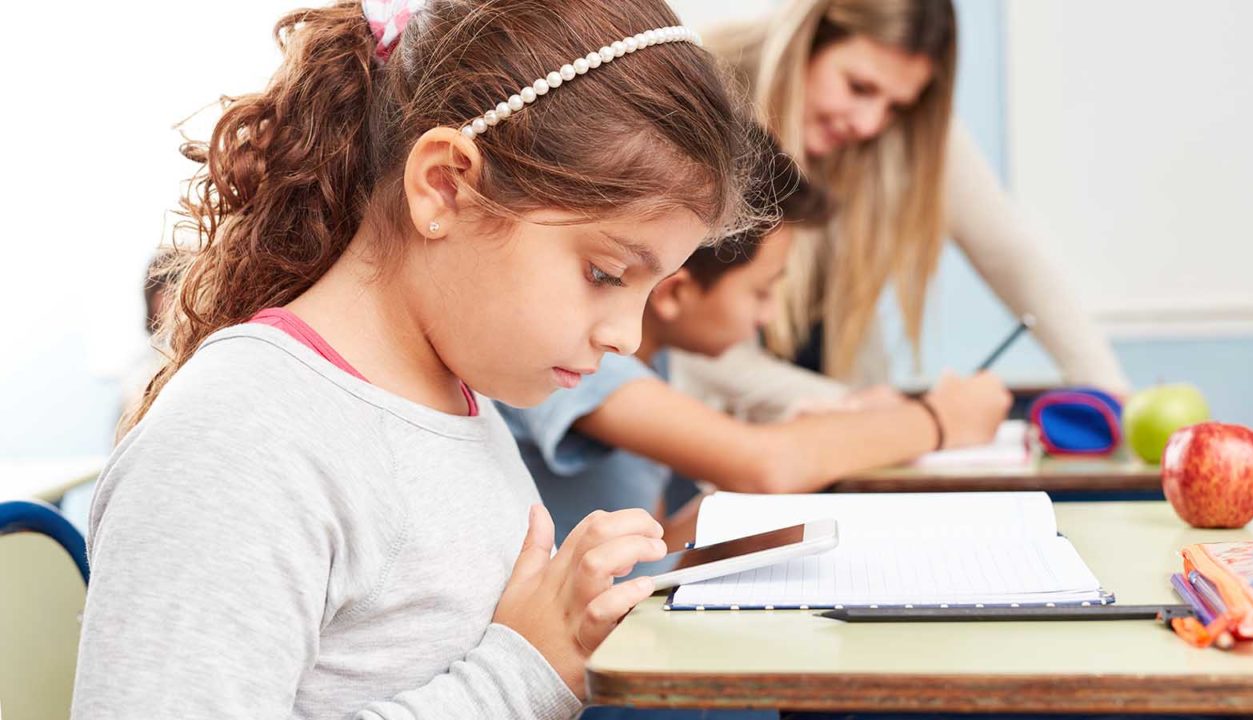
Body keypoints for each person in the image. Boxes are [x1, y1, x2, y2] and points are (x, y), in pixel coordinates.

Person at [71, 2, 763, 717]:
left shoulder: (457, 404)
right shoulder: (241, 439)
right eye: (606, 273)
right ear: (444, 185)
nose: (626, 335)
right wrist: (521, 671)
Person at [501, 133, 1009, 550]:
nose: (767, 317)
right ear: (677, 292)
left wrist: (821, 439)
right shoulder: (587, 365)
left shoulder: (650, 369)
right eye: (763, 291)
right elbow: (765, 463)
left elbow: (656, 553)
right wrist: (942, 420)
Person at [679, 0, 1129, 423]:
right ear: (809, 39)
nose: (870, 123)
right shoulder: (709, 83)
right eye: (859, 87)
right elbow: (689, 327)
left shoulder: (913, 134)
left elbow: (1012, 259)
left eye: (897, 106)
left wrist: (1111, 394)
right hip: (716, 429)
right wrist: (864, 412)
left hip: (849, 429)